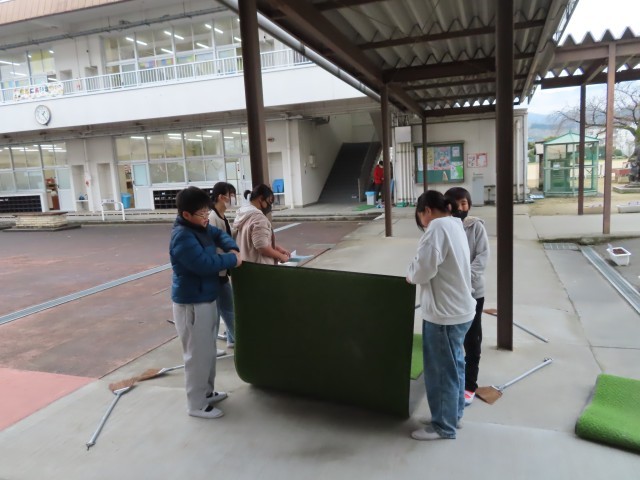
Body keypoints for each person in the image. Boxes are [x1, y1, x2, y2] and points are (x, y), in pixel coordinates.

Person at [406, 190, 475, 441]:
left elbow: (423, 270)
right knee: (454, 366)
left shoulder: (436, 227)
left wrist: (410, 274)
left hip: (444, 314)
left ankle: (443, 426)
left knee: (441, 371)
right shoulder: (455, 224)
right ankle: (452, 415)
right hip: (460, 310)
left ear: (426, 211)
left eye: (420, 217)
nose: (422, 223)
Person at [170, 186, 242, 419]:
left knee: (208, 351)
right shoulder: (182, 236)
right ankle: (196, 404)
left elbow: (218, 234)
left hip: (207, 297)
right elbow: (204, 264)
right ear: (186, 214)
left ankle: (207, 393)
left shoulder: (200, 227)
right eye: (201, 214)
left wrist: (232, 247)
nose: (205, 217)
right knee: (196, 356)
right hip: (192, 303)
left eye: (206, 212)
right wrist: (231, 259)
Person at [445, 187, 489, 406]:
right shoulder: (444, 227)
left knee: (472, 338)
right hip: (451, 293)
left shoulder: (476, 227)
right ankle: (454, 379)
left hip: (473, 292)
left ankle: (470, 385)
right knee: (452, 338)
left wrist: (465, 279)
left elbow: (482, 256)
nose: (461, 207)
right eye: (456, 203)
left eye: (464, 203)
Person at [208, 182, 237, 352]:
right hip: (216, 271)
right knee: (219, 310)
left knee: (227, 307)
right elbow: (213, 245)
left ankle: (233, 339)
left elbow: (226, 237)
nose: (232, 199)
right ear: (221, 197)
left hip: (222, 270)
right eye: (231, 195)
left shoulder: (222, 216)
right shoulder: (213, 217)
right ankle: (212, 347)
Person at [233, 184, 290, 264]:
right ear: (260, 199)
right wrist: (280, 256)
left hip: (245, 263)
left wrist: (275, 248)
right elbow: (262, 247)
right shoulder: (258, 218)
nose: (270, 206)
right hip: (259, 266)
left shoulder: (243, 213)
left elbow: (255, 241)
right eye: (269, 202)